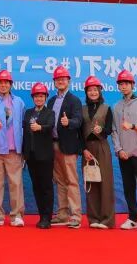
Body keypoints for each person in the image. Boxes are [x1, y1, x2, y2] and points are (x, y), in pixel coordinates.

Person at [112, 69, 137, 231]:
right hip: (123, 154)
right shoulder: (116, 106)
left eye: (126, 83)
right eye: (121, 84)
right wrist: (119, 149)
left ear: (133, 85)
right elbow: (114, 130)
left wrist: (132, 126)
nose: (123, 86)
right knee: (128, 187)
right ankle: (132, 217)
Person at [0, 70, 25, 227]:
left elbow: (23, 124)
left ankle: (17, 215)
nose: (3, 85)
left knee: (16, 183)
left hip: (14, 149)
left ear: (10, 85)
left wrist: (23, 149)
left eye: (6, 82)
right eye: (0, 83)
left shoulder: (19, 102)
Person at [47, 65, 83, 228]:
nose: (60, 81)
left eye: (63, 79)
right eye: (58, 79)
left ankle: (75, 215)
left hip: (68, 146)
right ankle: (62, 214)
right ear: (54, 82)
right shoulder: (51, 101)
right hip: (53, 144)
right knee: (59, 180)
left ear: (68, 81)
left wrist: (69, 122)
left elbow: (79, 120)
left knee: (72, 181)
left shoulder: (74, 100)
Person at [80, 75, 115, 229]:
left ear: (100, 91)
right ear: (86, 92)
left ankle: (106, 219)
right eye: (90, 90)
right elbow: (79, 132)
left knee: (105, 183)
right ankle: (93, 218)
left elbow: (109, 129)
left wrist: (102, 130)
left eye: (95, 89)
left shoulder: (107, 108)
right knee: (91, 181)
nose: (93, 92)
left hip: (101, 146)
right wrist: (83, 149)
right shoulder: (82, 109)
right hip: (87, 149)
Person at [23, 83, 56, 229]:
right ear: (33, 98)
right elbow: (24, 133)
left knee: (46, 186)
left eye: (41, 96)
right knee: (36, 186)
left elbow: (50, 126)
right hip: (31, 156)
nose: (39, 98)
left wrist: (40, 127)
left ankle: (47, 217)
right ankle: (41, 215)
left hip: (45, 156)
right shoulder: (28, 113)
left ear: (45, 97)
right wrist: (24, 153)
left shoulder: (50, 113)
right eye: (36, 96)